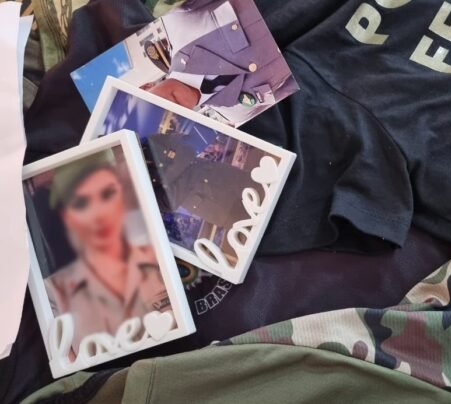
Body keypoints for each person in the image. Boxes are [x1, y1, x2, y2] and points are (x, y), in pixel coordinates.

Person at [44, 150, 169, 349]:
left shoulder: (167, 258)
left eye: (108, 194)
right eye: (81, 203)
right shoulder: (53, 292)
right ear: (67, 217)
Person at [147, 0, 298, 126]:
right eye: (163, 125)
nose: (165, 114)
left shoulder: (177, 19)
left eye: (150, 110)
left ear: (146, 87)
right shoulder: (238, 113)